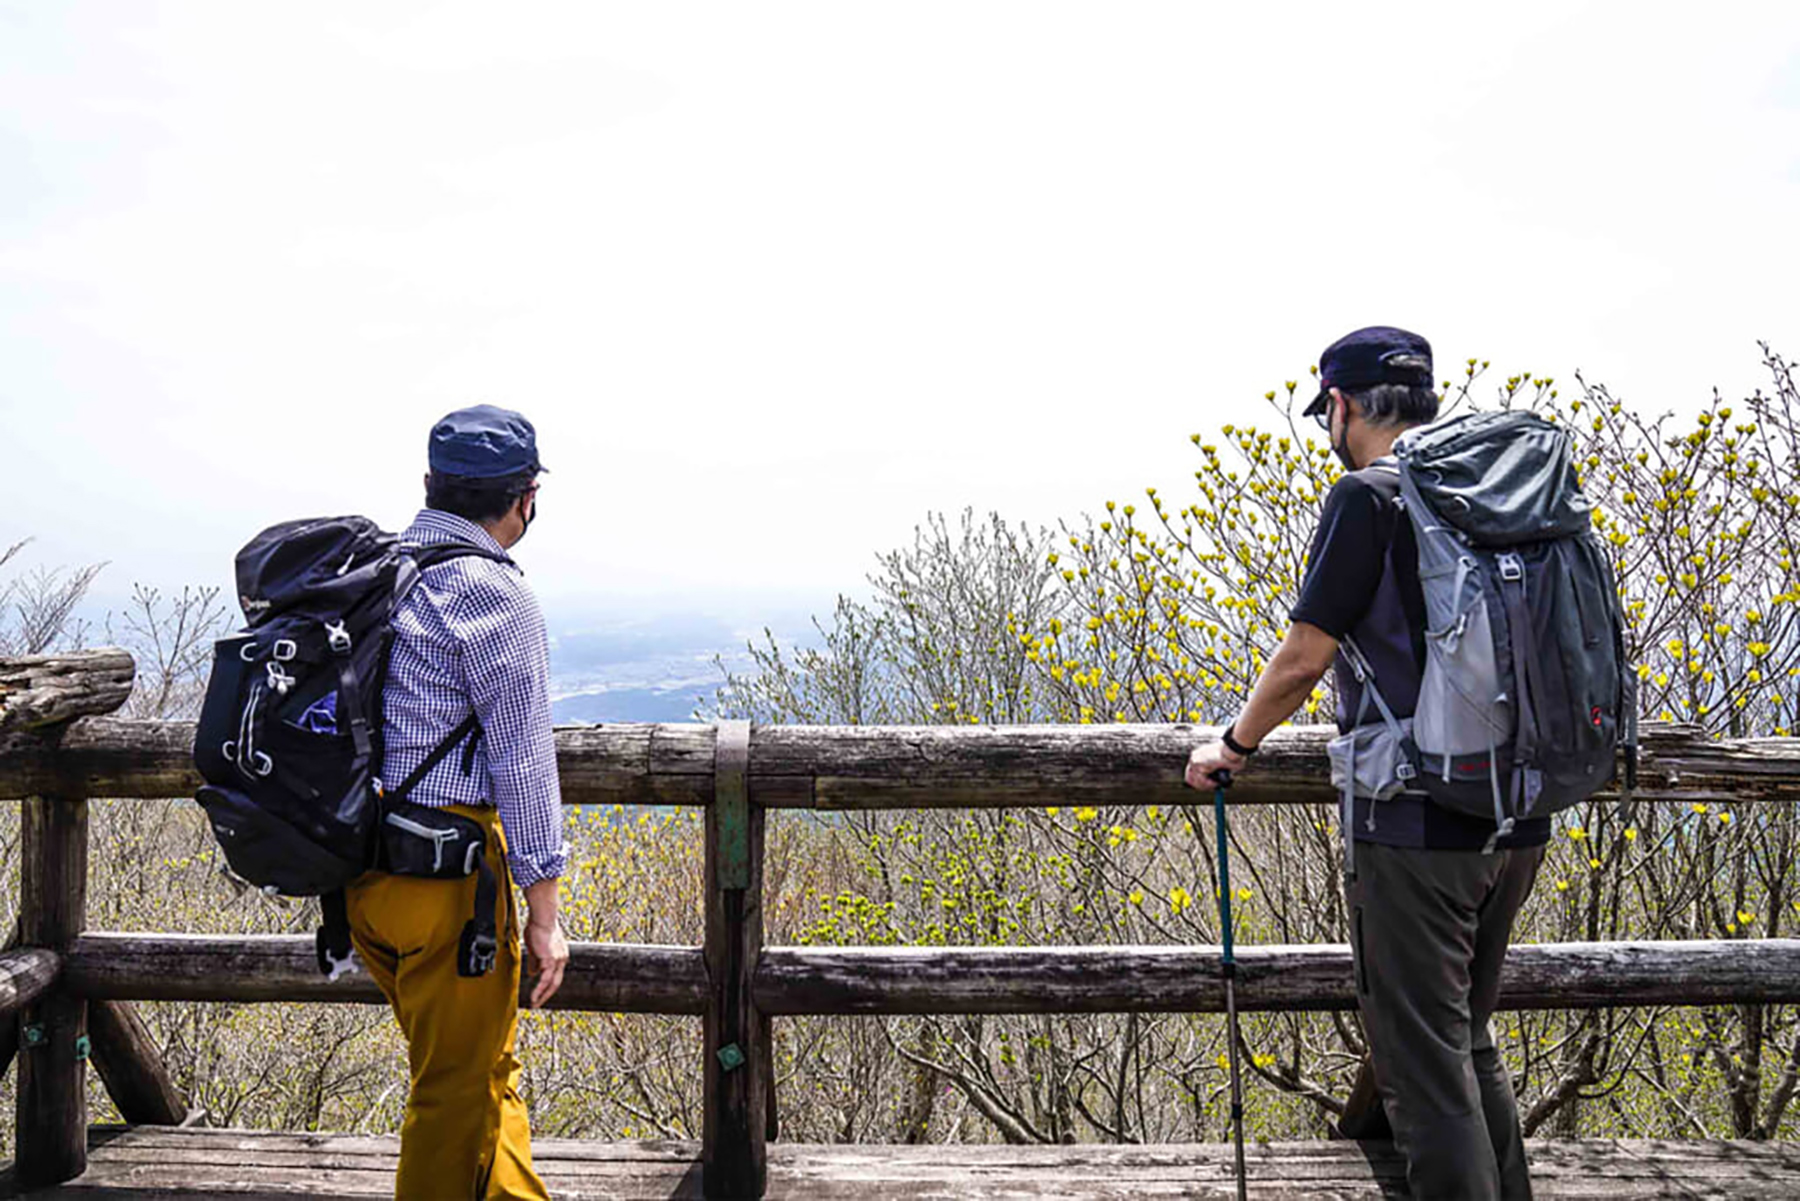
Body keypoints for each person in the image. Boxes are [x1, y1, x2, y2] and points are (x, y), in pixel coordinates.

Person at [1185, 327, 1547, 1200]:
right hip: (1520, 810)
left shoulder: (1369, 497)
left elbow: (1306, 656)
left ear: (1341, 404)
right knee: (1467, 1038)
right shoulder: (1496, 486)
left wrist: (1232, 745)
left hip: (1417, 825)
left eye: (1327, 414)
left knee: (1422, 1072)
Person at [346, 404, 571, 1200]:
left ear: (432, 488)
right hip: (450, 883)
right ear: (525, 497)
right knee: (453, 1096)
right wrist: (544, 911)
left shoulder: (379, 574)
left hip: (365, 878)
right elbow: (522, 758)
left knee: (482, 1068)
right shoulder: (491, 594)